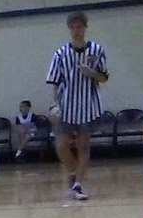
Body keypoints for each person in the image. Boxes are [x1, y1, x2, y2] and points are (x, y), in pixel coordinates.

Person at [46, 11, 109, 200]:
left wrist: (91, 72)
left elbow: (104, 77)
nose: (75, 30)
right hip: (66, 106)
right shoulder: (60, 53)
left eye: (79, 26)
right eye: (72, 27)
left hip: (88, 105)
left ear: (85, 27)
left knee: (84, 145)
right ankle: (74, 172)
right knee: (62, 144)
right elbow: (55, 82)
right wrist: (54, 105)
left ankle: (79, 185)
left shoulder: (97, 50)